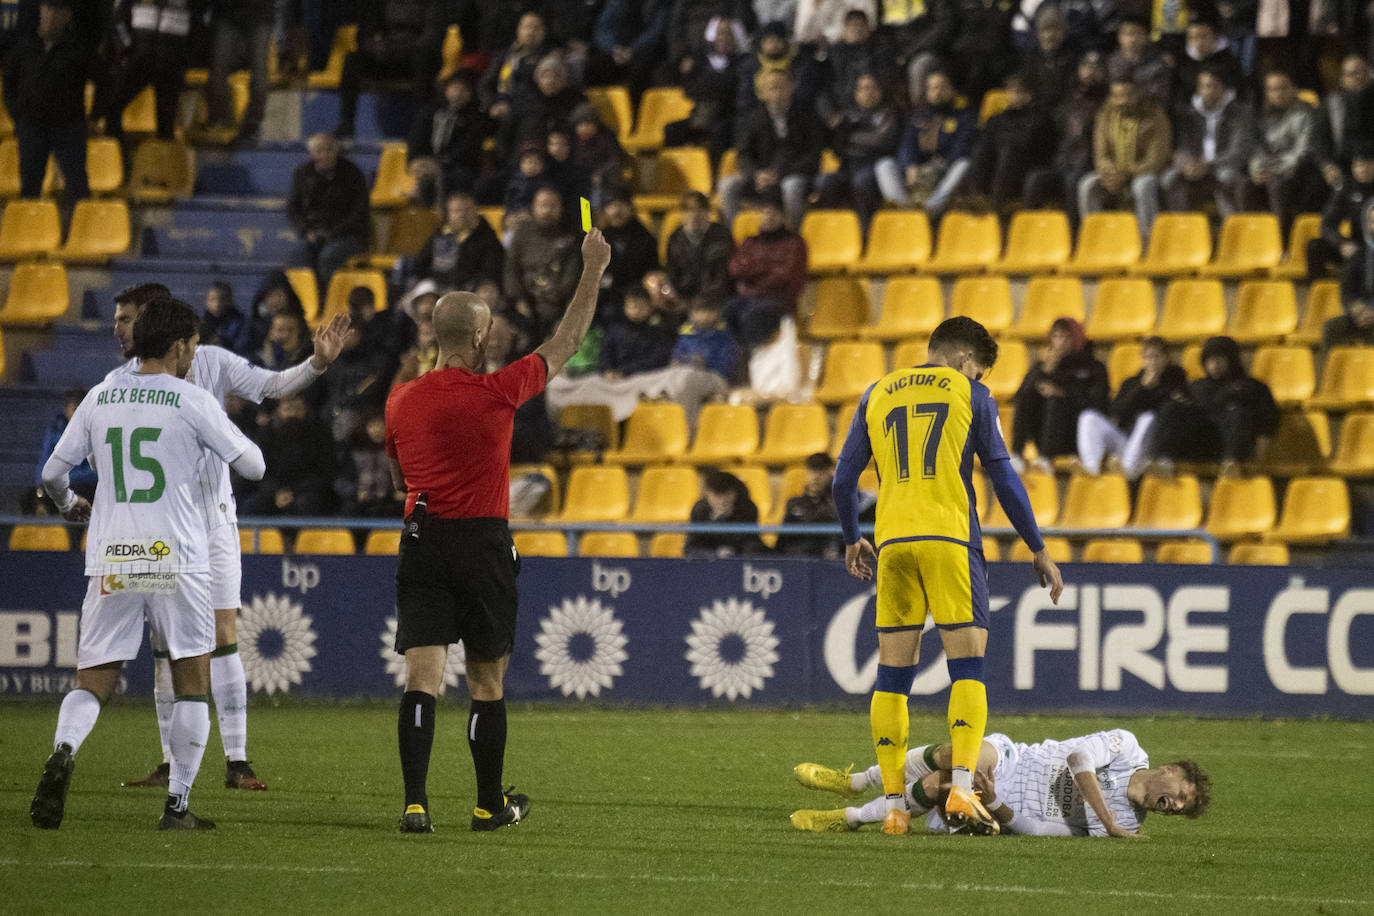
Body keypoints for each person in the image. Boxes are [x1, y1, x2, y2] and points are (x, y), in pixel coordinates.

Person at [384, 228, 612, 834]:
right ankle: (488, 805)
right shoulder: (500, 392)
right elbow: (566, 342)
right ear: (481, 336)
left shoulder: (401, 400)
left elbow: (397, 471)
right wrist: (591, 269)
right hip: (483, 542)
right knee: (487, 683)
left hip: (423, 539)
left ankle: (415, 804)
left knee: (421, 680)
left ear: (434, 334)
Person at [33, 298, 268, 831]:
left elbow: (51, 474)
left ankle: (65, 749)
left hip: (114, 553)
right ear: (180, 344)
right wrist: (218, 438)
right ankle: (178, 805)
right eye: (192, 345)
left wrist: (71, 505)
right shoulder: (190, 399)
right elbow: (253, 466)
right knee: (191, 680)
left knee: (94, 679)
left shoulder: (101, 396)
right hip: (175, 555)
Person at [832, 315, 1063, 836]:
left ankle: (894, 805)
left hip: (892, 543)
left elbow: (844, 479)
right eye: (979, 371)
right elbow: (1002, 472)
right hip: (950, 541)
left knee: (893, 679)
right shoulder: (971, 394)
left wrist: (852, 537)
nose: (978, 379)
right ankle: (960, 787)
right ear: (965, 361)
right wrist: (1038, 547)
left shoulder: (877, 392)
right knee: (968, 667)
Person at [113, 284, 350, 792]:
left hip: (213, 524)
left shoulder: (212, 362)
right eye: (118, 320)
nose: (121, 330)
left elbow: (274, 384)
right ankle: (169, 763)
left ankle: (237, 760)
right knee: (163, 647)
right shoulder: (120, 382)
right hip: (157, 532)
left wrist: (317, 364)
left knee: (223, 637)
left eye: (128, 319)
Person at [790, 726, 1211, 836]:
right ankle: (859, 780)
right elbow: (1080, 758)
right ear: (1171, 771)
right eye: (1182, 795)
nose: (1175, 805)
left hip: (1008, 806)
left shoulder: (1130, 824)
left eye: (1182, 809)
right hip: (1017, 758)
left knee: (942, 784)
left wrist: (994, 805)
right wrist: (1110, 822)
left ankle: (848, 817)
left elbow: (1044, 829)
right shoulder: (1128, 747)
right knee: (957, 756)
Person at [3, 0, 91, 200]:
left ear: (67, 16)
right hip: (32, 126)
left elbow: (105, 80)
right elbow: (8, 82)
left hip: (69, 126)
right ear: (41, 10)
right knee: (29, 187)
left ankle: (84, 227)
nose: (52, 16)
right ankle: (29, 230)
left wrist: (96, 115)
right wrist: (18, 115)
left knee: (78, 186)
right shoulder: (24, 47)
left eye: (58, 11)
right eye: (48, 9)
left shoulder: (78, 50)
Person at [1153, 336, 1281, 473]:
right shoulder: (1195, 387)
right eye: (1210, 360)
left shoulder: (1252, 388)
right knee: (1171, 407)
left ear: (1231, 360)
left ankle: (1231, 463)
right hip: (1199, 446)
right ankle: (1163, 461)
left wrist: (1260, 463)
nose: (1214, 365)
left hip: (1232, 448)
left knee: (1237, 412)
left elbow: (1267, 424)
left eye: (1219, 359)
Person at [719, 68, 824, 231]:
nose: (777, 92)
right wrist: (755, 174)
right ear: (762, 92)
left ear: (792, 87)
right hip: (760, 177)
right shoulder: (753, 119)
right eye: (772, 88)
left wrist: (779, 174)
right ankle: (737, 235)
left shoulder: (807, 116)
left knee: (791, 187)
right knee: (727, 185)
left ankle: (791, 237)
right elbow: (743, 154)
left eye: (782, 87)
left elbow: (813, 156)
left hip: (795, 175)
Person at [1076, 336, 1187, 479]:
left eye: (1156, 357)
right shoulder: (1132, 383)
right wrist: (1142, 389)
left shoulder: (1176, 383)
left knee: (1147, 417)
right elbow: (1117, 412)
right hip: (1126, 441)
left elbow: (1170, 415)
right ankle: (1091, 466)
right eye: (1147, 357)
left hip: (1151, 447)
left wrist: (1156, 389)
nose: (1152, 362)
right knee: (1088, 416)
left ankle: (1128, 468)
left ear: (1166, 358)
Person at [1079, 77, 1171, 243]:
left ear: (1138, 94)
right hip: (1114, 174)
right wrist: (1109, 171)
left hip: (1145, 173)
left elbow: (1156, 157)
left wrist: (1126, 174)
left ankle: (1148, 243)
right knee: (1087, 185)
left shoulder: (1155, 116)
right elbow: (1101, 153)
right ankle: (1094, 240)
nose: (1122, 101)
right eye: (1116, 96)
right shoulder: (1105, 115)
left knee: (1142, 186)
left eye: (1127, 96)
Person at [1162, 65, 1253, 228]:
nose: (1206, 91)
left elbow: (1238, 151)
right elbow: (1183, 147)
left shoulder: (1239, 113)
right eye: (1202, 86)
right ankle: (1182, 229)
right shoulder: (1189, 114)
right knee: (1169, 178)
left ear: (1223, 88)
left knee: (1226, 177)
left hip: (1223, 166)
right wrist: (1187, 164)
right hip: (1196, 167)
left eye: (1211, 86)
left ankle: (1232, 231)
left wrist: (1208, 165)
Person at [1011, 317, 1110, 466]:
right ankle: (1017, 454)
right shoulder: (1042, 366)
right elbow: (1019, 397)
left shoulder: (1094, 367)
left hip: (1076, 433)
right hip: (1043, 433)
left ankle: (1046, 458)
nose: (1060, 342)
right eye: (1056, 337)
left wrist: (1063, 393)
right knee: (1027, 397)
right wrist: (1046, 371)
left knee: (1056, 399)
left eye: (1066, 337)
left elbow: (1098, 404)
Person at [817, 72, 905, 230]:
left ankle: (865, 231)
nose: (867, 92)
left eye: (871, 88)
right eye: (863, 89)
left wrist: (850, 135)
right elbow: (836, 143)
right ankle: (830, 229)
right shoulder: (848, 114)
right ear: (856, 93)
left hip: (873, 165)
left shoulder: (888, 114)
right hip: (847, 165)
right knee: (825, 180)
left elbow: (881, 141)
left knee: (861, 182)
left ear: (879, 91)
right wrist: (854, 136)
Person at [335, 0, 432, 139]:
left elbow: (432, 38)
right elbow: (364, 36)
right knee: (352, 59)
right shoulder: (380, 3)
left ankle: (421, 129)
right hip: (387, 56)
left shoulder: (432, 4)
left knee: (422, 60)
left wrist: (402, 49)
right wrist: (376, 48)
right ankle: (346, 124)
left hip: (415, 59)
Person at [1247, 70, 1326, 238]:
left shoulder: (1307, 113)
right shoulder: (1263, 116)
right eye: (1272, 89)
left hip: (1300, 172)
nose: (1278, 94)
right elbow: (1257, 149)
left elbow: (1303, 152)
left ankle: (1280, 240)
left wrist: (1274, 170)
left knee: (1277, 185)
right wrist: (1256, 169)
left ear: (1294, 89)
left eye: (1282, 88)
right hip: (1272, 170)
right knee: (1244, 185)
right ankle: (1253, 239)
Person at [286, 134, 371, 289]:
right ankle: (306, 303)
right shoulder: (302, 174)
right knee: (299, 256)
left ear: (337, 151)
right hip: (313, 234)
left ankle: (329, 300)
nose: (324, 155)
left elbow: (359, 213)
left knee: (329, 257)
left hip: (347, 235)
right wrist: (306, 232)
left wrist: (332, 233)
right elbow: (293, 210)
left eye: (329, 150)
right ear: (311, 154)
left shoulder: (352, 174)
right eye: (319, 151)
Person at [725, 190, 807, 349]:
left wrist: (753, 276)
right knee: (729, 310)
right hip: (750, 297)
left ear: (783, 216)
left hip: (779, 301)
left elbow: (785, 277)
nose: (769, 215)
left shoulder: (794, 243)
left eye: (774, 212)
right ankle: (734, 363)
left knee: (752, 315)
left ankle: (755, 363)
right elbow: (734, 268)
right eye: (765, 211)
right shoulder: (750, 242)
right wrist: (765, 268)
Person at [504, 186, 583, 338]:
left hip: (558, 305)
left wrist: (557, 303)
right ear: (534, 207)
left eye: (552, 206)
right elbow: (511, 269)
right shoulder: (522, 233)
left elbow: (572, 276)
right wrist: (519, 299)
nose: (547, 210)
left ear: (560, 208)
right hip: (523, 303)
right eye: (542, 205)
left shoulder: (572, 235)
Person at [896, 69, 977, 216]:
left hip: (945, 168)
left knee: (964, 164)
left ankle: (930, 209)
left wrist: (937, 167)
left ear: (952, 89)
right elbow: (906, 145)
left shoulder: (963, 117)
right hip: (918, 171)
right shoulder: (917, 117)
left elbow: (961, 148)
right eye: (932, 88)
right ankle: (903, 208)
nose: (937, 92)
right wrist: (910, 165)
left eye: (942, 87)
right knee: (884, 165)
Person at [240, 395, 337, 516]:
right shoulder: (266, 434)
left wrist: (294, 493)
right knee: (252, 505)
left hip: (307, 491)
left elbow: (325, 472)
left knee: (306, 503)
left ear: (305, 409)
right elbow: (260, 471)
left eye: (298, 409)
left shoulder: (319, 433)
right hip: (274, 492)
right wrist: (276, 492)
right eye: (288, 409)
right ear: (279, 410)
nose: (292, 414)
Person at [405, 69, 491, 207]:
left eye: (463, 89)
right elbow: (416, 139)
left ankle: (441, 217)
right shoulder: (429, 112)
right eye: (455, 88)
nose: (458, 93)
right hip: (428, 164)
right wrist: (416, 160)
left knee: (446, 180)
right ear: (446, 89)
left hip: (459, 168)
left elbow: (468, 149)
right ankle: (422, 218)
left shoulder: (475, 118)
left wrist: (441, 164)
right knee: (422, 176)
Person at [405, 191, 505, 293]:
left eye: (467, 210)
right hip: (436, 286)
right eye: (456, 211)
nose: (461, 215)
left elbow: (491, 272)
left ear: (475, 211)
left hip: (469, 288)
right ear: (449, 214)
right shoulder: (439, 235)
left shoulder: (488, 238)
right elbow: (421, 263)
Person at [205, 0, 273, 141]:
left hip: (248, 13)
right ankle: (245, 121)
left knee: (221, 67)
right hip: (232, 13)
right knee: (221, 68)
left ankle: (227, 119)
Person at [1308, 146, 1374, 280]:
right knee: (1315, 247)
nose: (1362, 169)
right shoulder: (1347, 189)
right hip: (1356, 246)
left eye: (1367, 164)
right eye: (1358, 165)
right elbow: (1327, 224)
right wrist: (1342, 243)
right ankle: (1320, 293)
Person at [665, 190, 735, 304]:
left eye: (700, 210)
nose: (694, 215)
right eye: (689, 210)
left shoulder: (721, 236)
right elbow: (672, 274)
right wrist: (680, 297)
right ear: (682, 213)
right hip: (684, 298)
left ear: (708, 212)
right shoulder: (675, 238)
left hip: (714, 300)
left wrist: (702, 301)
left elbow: (721, 278)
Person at [684, 469, 766, 557]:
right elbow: (690, 548)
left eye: (727, 494)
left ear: (735, 493)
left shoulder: (747, 508)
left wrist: (726, 519)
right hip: (708, 561)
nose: (722, 501)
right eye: (717, 495)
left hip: (740, 559)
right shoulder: (699, 510)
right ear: (707, 494)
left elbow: (751, 543)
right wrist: (714, 553)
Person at [774, 452, 841, 558]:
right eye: (812, 471)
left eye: (821, 471)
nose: (816, 477)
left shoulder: (837, 502)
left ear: (830, 473)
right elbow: (782, 542)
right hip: (798, 559)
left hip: (826, 559)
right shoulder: (794, 504)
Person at [1327, 198, 1374, 349]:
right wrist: (1359, 311)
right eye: (1372, 222)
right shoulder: (1359, 255)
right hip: (1364, 313)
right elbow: (1346, 291)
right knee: (1331, 328)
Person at [199, 281, 247, 355]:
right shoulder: (201, 324)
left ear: (230, 300)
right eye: (212, 299)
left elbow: (242, 348)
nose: (217, 304)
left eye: (223, 299)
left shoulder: (240, 323)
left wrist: (222, 343)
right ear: (206, 301)